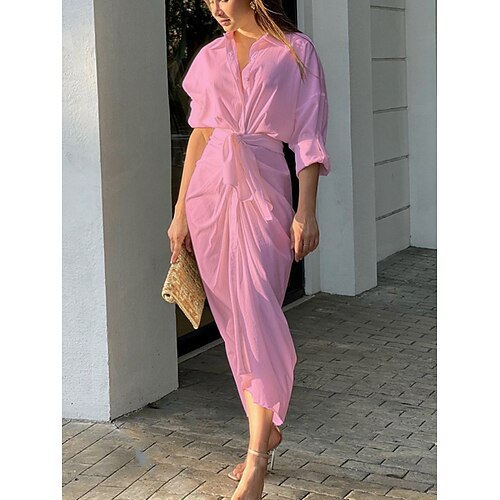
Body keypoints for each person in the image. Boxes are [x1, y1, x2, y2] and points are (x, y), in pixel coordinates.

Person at [167, 1, 331, 498]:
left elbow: (308, 136)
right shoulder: (210, 56)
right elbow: (200, 135)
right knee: (235, 321)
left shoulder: (295, 51)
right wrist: (179, 213)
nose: (215, 6)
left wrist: (306, 211)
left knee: (259, 310)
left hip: (266, 191)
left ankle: (258, 459)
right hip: (209, 196)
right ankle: (264, 434)